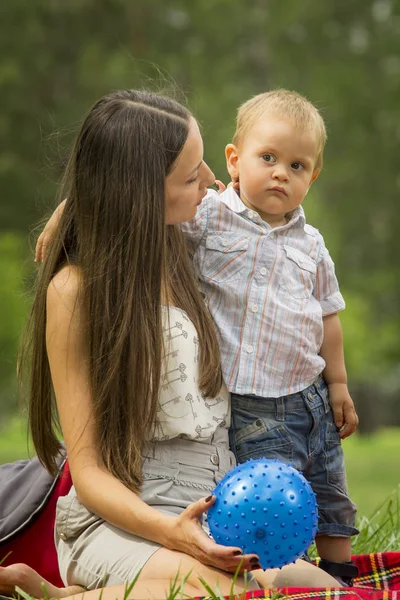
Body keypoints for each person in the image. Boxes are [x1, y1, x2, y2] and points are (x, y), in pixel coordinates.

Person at [1, 90, 341, 600]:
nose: (212, 181)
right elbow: (89, 474)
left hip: (208, 512)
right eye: (189, 175)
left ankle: (67, 597)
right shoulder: (75, 292)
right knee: (233, 593)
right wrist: (175, 537)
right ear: (141, 192)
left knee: (313, 584)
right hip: (124, 523)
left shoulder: (195, 251)